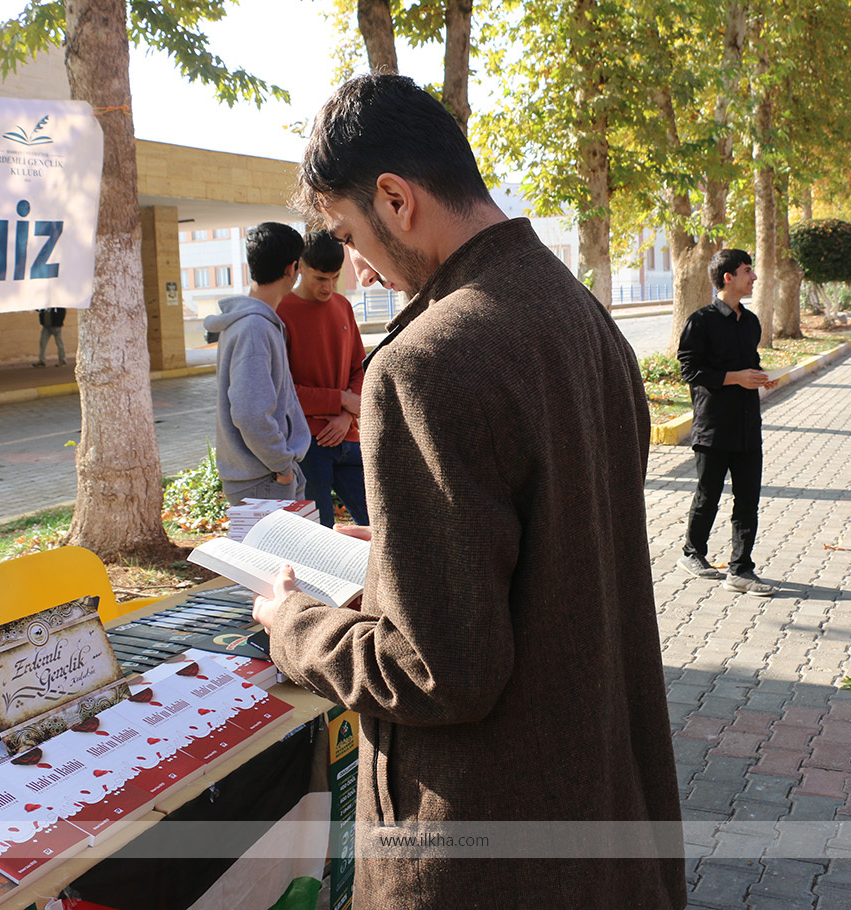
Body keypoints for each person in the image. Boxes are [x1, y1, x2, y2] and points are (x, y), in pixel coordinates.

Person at [253, 74, 684, 909]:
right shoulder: (581, 315)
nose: (359, 269)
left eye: (349, 236)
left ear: (396, 199)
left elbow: (435, 670)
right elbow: (552, 540)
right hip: (602, 805)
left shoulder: (424, 361)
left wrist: (294, 626)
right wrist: (397, 559)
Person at [677, 248, 778, 598]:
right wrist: (736, 377)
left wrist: (762, 377)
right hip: (714, 426)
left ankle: (741, 569)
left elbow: (751, 361)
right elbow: (689, 370)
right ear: (728, 277)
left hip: (748, 425)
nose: (754, 277)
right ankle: (692, 552)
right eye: (748, 270)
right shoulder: (700, 321)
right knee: (708, 495)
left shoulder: (750, 322)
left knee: (748, 500)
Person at [202, 223, 310, 507]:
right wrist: (283, 467)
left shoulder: (250, 323)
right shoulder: (254, 328)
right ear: (292, 269)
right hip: (264, 479)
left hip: (263, 476)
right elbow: (250, 414)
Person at [277, 229, 370, 527]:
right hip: (307, 445)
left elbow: (359, 367)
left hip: (348, 436)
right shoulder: (280, 312)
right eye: (320, 278)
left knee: (381, 523)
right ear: (300, 267)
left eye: (335, 277)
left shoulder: (343, 306)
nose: (328, 287)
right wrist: (341, 399)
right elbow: (283, 391)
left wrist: (346, 415)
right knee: (318, 532)